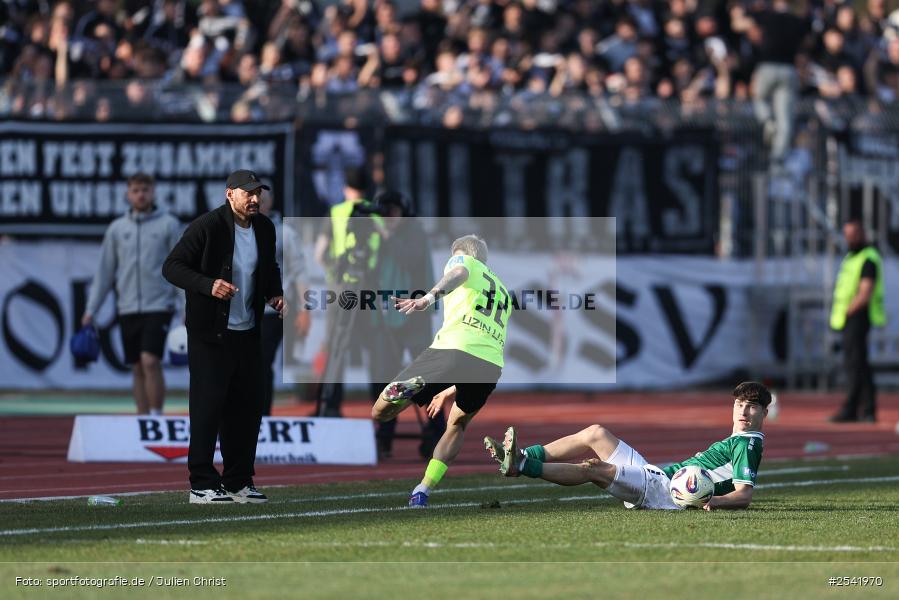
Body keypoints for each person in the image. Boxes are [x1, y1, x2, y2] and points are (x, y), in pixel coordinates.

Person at [162, 169, 285, 504]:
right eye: (248, 193)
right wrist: (208, 284)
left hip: (248, 332)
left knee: (248, 407)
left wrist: (275, 294)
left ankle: (238, 481)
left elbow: (269, 268)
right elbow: (172, 266)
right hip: (210, 334)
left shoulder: (265, 227)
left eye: (258, 193)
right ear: (230, 194)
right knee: (208, 407)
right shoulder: (207, 225)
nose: (255, 199)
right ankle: (201, 482)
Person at [372, 235, 510, 507]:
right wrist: (449, 390)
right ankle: (423, 489)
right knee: (457, 424)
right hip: (489, 365)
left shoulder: (463, 259)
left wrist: (429, 297)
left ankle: (407, 391)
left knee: (379, 413)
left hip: (454, 348)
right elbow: (479, 351)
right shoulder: (502, 289)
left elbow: (458, 271)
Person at [485, 382, 771, 511]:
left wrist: (715, 501)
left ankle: (521, 466)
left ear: (764, 414)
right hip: (656, 475)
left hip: (663, 493)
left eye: (752, 407)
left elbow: (744, 494)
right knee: (595, 434)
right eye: (739, 404)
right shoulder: (738, 439)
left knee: (592, 470)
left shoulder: (747, 443)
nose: (743, 411)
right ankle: (522, 456)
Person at [82, 173, 181, 415]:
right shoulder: (117, 229)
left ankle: (156, 416)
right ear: (128, 194)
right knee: (136, 366)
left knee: (150, 360)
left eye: (145, 190)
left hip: (159, 305)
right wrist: (90, 310)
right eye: (136, 190)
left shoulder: (168, 224)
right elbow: (105, 273)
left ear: (153, 192)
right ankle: (142, 420)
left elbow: (180, 267)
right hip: (127, 306)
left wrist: (187, 304)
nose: (141, 194)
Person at [368, 190, 443, 459]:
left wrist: (387, 236)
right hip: (383, 316)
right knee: (383, 379)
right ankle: (384, 438)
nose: (388, 217)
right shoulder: (374, 234)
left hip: (413, 316)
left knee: (424, 378)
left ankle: (438, 435)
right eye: (383, 212)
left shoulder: (414, 232)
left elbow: (411, 260)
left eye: (393, 211)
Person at [312, 169, 385, 417]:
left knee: (336, 349)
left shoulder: (335, 213)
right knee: (375, 351)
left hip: (342, 289)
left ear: (346, 189)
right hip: (370, 289)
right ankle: (382, 412)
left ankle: (330, 408)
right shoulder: (377, 214)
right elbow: (387, 246)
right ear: (366, 190)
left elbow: (319, 254)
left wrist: (336, 272)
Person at [829, 220, 886, 423]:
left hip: (858, 316)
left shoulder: (867, 258)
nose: (849, 238)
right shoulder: (852, 258)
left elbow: (865, 292)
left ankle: (856, 408)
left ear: (862, 233)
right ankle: (865, 408)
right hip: (850, 317)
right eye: (847, 234)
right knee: (856, 363)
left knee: (856, 364)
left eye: (853, 234)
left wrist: (848, 311)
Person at [258, 188, 307, 416]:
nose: (256, 202)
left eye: (262, 199)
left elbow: (299, 272)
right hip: (243, 309)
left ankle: (262, 415)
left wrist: (305, 309)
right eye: (252, 197)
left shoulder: (285, 233)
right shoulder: (237, 231)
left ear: (271, 202)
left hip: (275, 309)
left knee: (261, 361)